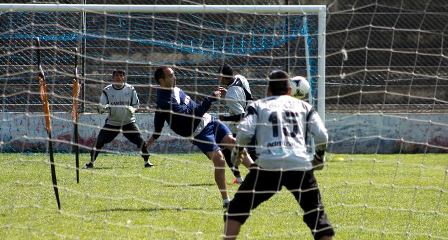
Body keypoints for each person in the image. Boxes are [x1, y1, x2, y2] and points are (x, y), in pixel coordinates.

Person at [223, 70, 335, 240]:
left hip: (268, 165)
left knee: (236, 209)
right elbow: (322, 135)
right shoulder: (304, 106)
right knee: (316, 215)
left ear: (268, 89)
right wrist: (319, 158)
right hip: (299, 164)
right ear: (289, 90)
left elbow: (245, 131)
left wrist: (237, 153)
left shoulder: (258, 105)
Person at [146, 66, 251, 208]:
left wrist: (154, 136)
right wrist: (210, 99)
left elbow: (159, 116)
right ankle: (226, 200)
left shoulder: (175, 90)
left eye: (174, 74)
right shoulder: (165, 100)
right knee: (219, 159)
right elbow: (189, 116)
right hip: (198, 132)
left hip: (210, 121)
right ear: (161, 80)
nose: (174, 77)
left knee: (232, 142)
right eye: (170, 76)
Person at [84, 70, 153, 169]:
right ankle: (91, 162)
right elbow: (101, 106)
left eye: (121, 75)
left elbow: (136, 105)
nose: (118, 77)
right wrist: (102, 108)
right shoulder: (107, 90)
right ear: (113, 77)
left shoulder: (130, 89)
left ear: (124, 77)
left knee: (141, 141)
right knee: (99, 141)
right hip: (112, 123)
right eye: (116, 75)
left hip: (128, 122)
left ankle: (147, 162)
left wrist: (133, 109)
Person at [217, 64, 254, 184]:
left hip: (241, 125)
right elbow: (241, 95)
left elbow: (242, 115)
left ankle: (240, 178)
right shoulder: (241, 78)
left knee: (226, 149)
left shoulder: (230, 95)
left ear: (223, 77)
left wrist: (225, 118)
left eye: (220, 76)